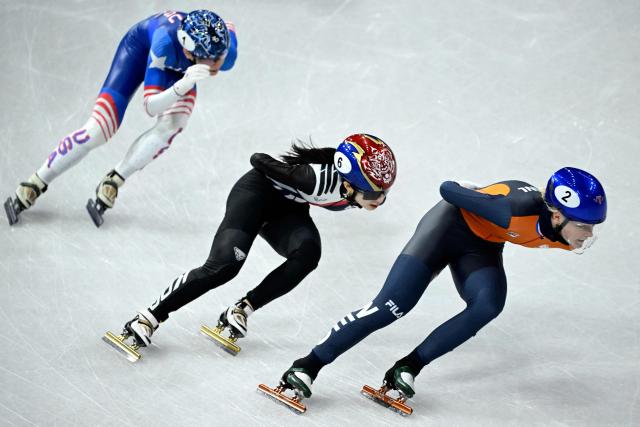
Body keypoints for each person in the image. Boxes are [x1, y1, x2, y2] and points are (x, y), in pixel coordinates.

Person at [273, 167, 607, 408]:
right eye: (583, 226)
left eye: (592, 227)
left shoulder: (566, 236)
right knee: (393, 305)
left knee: (488, 304)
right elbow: (448, 189)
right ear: (557, 216)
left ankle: (408, 367)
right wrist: (474, 191)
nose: (587, 235)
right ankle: (307, 365)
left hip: (481, 244)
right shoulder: (513, 210)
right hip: (446, 227)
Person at [103, 134, 398, 360]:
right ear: (349, 183)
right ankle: (148, 317)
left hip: (287, 209)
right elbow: (258, 159)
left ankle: (241, 309)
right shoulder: (314, 179)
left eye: (384, 192)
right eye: (374, 192)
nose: (380, 200)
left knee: (309, 255)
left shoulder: (349, 189)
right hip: (254, 196)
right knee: (224, 267)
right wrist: (289, 172)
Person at [4, 10, 238, 226]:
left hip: (176, 68)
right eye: (206, 59)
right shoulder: (165, 42)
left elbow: (229, 28)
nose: (213, 65)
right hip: (137, 53)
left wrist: (192, 74)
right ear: (188, 49)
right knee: (98, 130)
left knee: (174, 124)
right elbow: (150, 106)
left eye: (217, 58)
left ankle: (115, 179)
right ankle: (35, 181)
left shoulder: (224, 50)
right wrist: (184, 84)